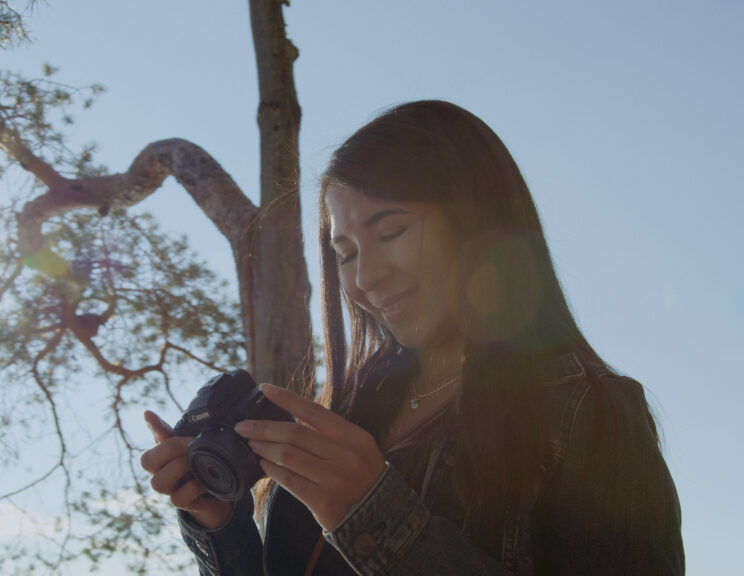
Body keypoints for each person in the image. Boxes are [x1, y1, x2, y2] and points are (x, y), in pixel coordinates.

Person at [140, 100, 684, 575]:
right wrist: (221, 529)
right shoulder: (346, 412)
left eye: (392, 231)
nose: (366, 277)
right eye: (346, 252)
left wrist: (374, 514)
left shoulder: (589, 413)